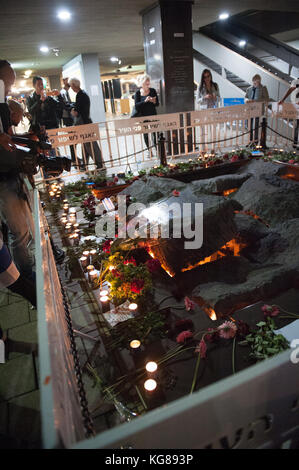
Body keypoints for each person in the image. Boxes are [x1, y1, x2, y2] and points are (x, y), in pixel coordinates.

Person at [0, 62, 35, 279]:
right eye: (9, 82)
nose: (11, 88)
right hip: (2, 178)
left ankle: (27, 269)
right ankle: (26, 277)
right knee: (20, 231)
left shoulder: (2, 105)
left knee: (26, 226)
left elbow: (8, 140)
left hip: (11, 173)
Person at [69, 77, 103, 170]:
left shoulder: (80, 95)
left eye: (71, 85)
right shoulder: (82, 94)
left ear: (74, 85)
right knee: (86, 144)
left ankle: (100, 164)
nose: (71, 88)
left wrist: (72, 111)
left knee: (90, 144)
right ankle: (85, 164)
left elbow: (76, 112)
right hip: (86, 122)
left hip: (84, 123)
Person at [132, 74, 159, 150]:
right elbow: (137, 106)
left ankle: (157, 150)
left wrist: (154, 101)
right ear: (142, 83)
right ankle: (149, 150)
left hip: (153, 115)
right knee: (146, 134)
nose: (148, 83)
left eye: (148, 81)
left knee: (155, 133)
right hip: (143, 117)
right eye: (146, 82)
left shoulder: (153, 91)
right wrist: (145, 101)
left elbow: (157, 104)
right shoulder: (137, 93)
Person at [245, 74, 269, 146]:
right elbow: (245, 97)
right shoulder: (249, 89)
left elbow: (266, 99)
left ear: (260, 81)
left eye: (258, 82)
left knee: (256, 126)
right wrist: (247, 100)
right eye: (255, 82)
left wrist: (256, 101)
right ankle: (250, 140)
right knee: (249, 126)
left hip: (258, 110)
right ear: (253, 81)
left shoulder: (263, 88)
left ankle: (255, 141)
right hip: (249, 110)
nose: (256, 83)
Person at [278, 79, 299, 149]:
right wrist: (282, 99)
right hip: (297, 106)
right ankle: (295, 142)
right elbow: (291, 89)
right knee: (297, 125)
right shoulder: (296, 81)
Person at [59, 77, 76, 162]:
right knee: (72, 138)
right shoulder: (63, 92)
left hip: (69, 117)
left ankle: (74, 156)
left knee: (73, 138)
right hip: (67, 118)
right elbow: (65, 105)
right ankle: (74, 157)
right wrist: (72, 107)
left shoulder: (65, 92)